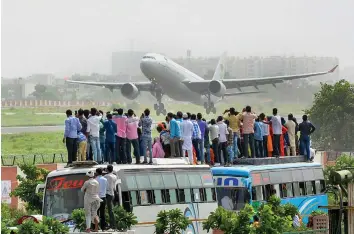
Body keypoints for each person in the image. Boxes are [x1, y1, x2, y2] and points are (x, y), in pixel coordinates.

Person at [104, 165, 117, 230]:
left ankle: (112, 225)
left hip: (108, 194)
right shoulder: (115, 176)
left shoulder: (106, 176)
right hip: (112, 193)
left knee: (109, 210)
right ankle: (112, 224)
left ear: (107, 169)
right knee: (110, 209)